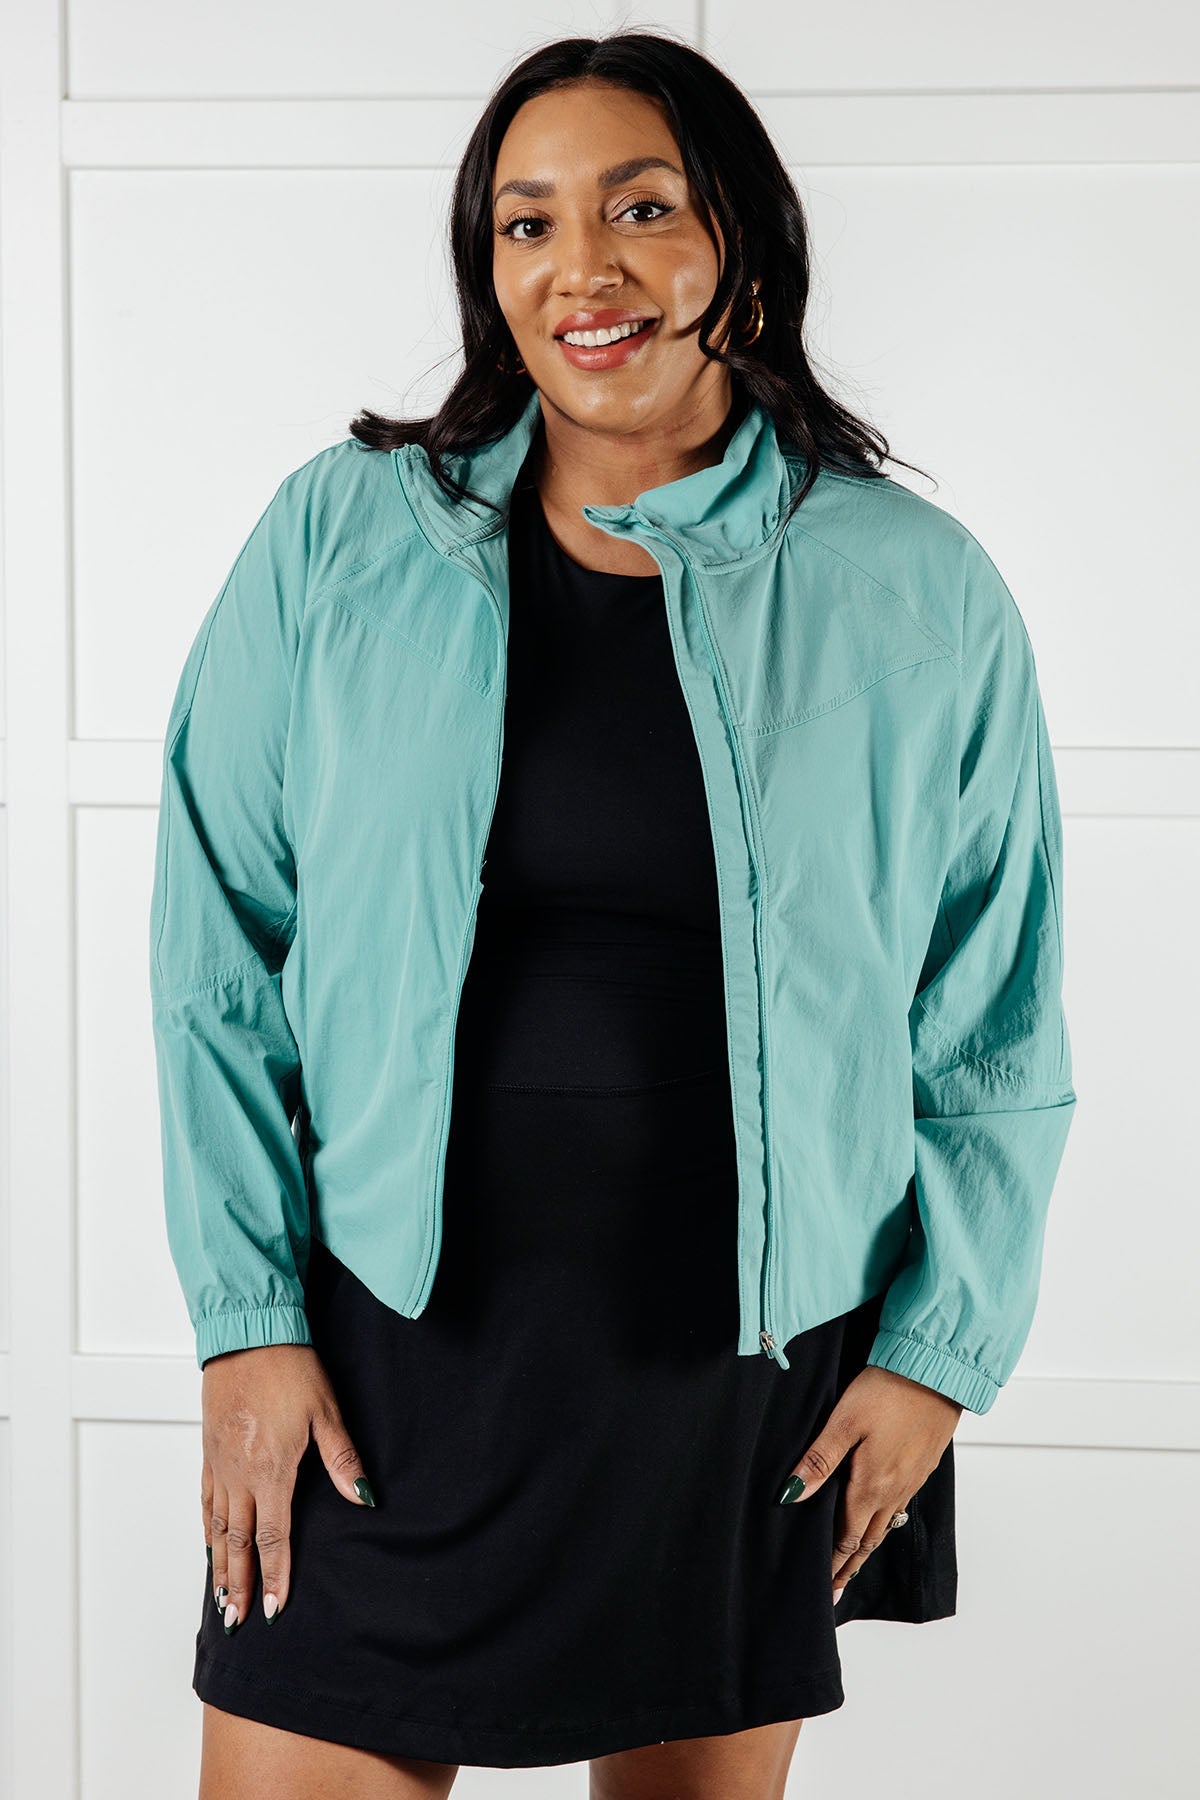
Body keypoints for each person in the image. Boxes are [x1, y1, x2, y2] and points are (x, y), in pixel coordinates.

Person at [148, 30, 1077, 1800]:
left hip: (738, 1357)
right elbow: (216, 951)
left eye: (642, 208)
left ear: (741, 237)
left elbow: (991, 1016)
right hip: (378, 1345)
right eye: (528, 223)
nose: (583, 266)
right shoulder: (340, 539)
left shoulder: (918, 592)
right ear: (487, 269)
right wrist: (248, 1317)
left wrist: (935, 1357)